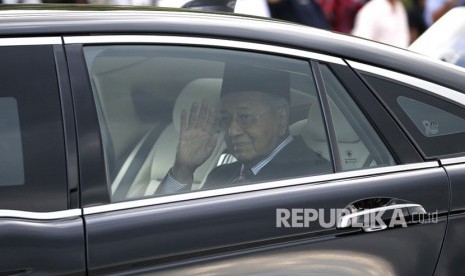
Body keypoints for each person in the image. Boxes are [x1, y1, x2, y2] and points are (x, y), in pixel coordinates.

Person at [156, 64, 332, 195]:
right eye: (226, 119)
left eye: (245, 117)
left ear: (281, 118)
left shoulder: (314, 179)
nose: (232, 131)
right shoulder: (220, 175)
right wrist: (183, 169)